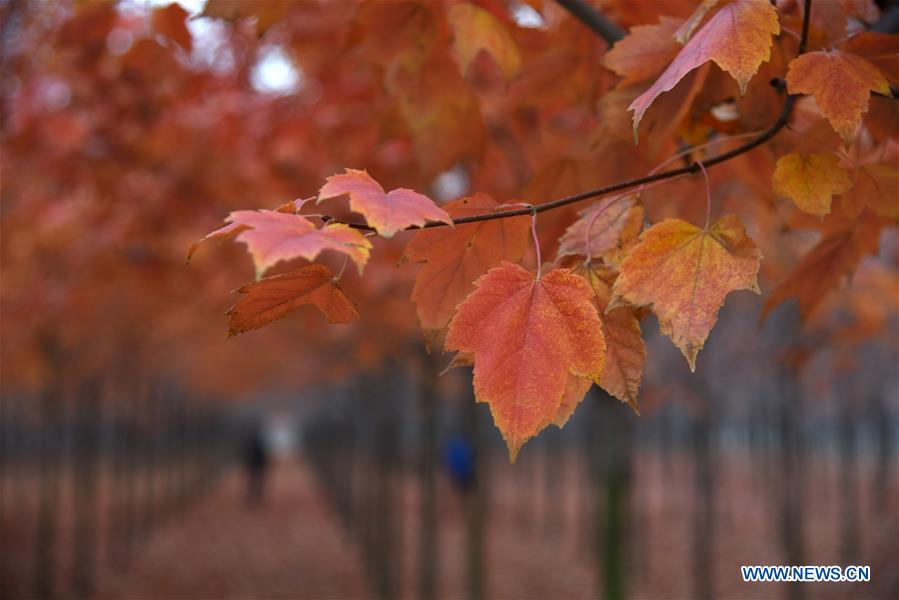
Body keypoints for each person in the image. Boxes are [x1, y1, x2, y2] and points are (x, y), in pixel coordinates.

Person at [243, 424, 270, 507]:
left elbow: (246, 453)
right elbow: (264, 453)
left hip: (254, 464)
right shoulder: (260, 441)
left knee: (253, 481)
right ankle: (256, 496)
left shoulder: (249, 441)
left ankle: (253, 496)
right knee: (257, 480)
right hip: (257, 464)